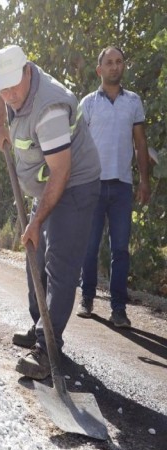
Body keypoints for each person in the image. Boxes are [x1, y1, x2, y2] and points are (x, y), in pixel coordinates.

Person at [0, 45, 101, 379]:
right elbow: (3, 93)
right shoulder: (11, 88)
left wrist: (37, 220)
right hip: (48, 186)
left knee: (59, 263)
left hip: (74, 184)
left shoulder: (50, 108)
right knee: (34, 256)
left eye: (14, 86)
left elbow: (62, 173)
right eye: (3, 87)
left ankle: (47, 347)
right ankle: (40, 324)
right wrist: (0, 121)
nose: (9, 94)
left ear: (29, 71)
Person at [76, 46, 152, 328]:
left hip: (122, 186)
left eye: (119, 61)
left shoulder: (133, 101)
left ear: (123, 67)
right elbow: (78, 145)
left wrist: (144, 180)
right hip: (92, 185)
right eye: (109, 62)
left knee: (120, 249)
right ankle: (86, 298)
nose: (114, 66)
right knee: (89, 246)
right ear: (99, 70)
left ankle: (118, 309)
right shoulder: (88, 104)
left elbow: (140, 143)